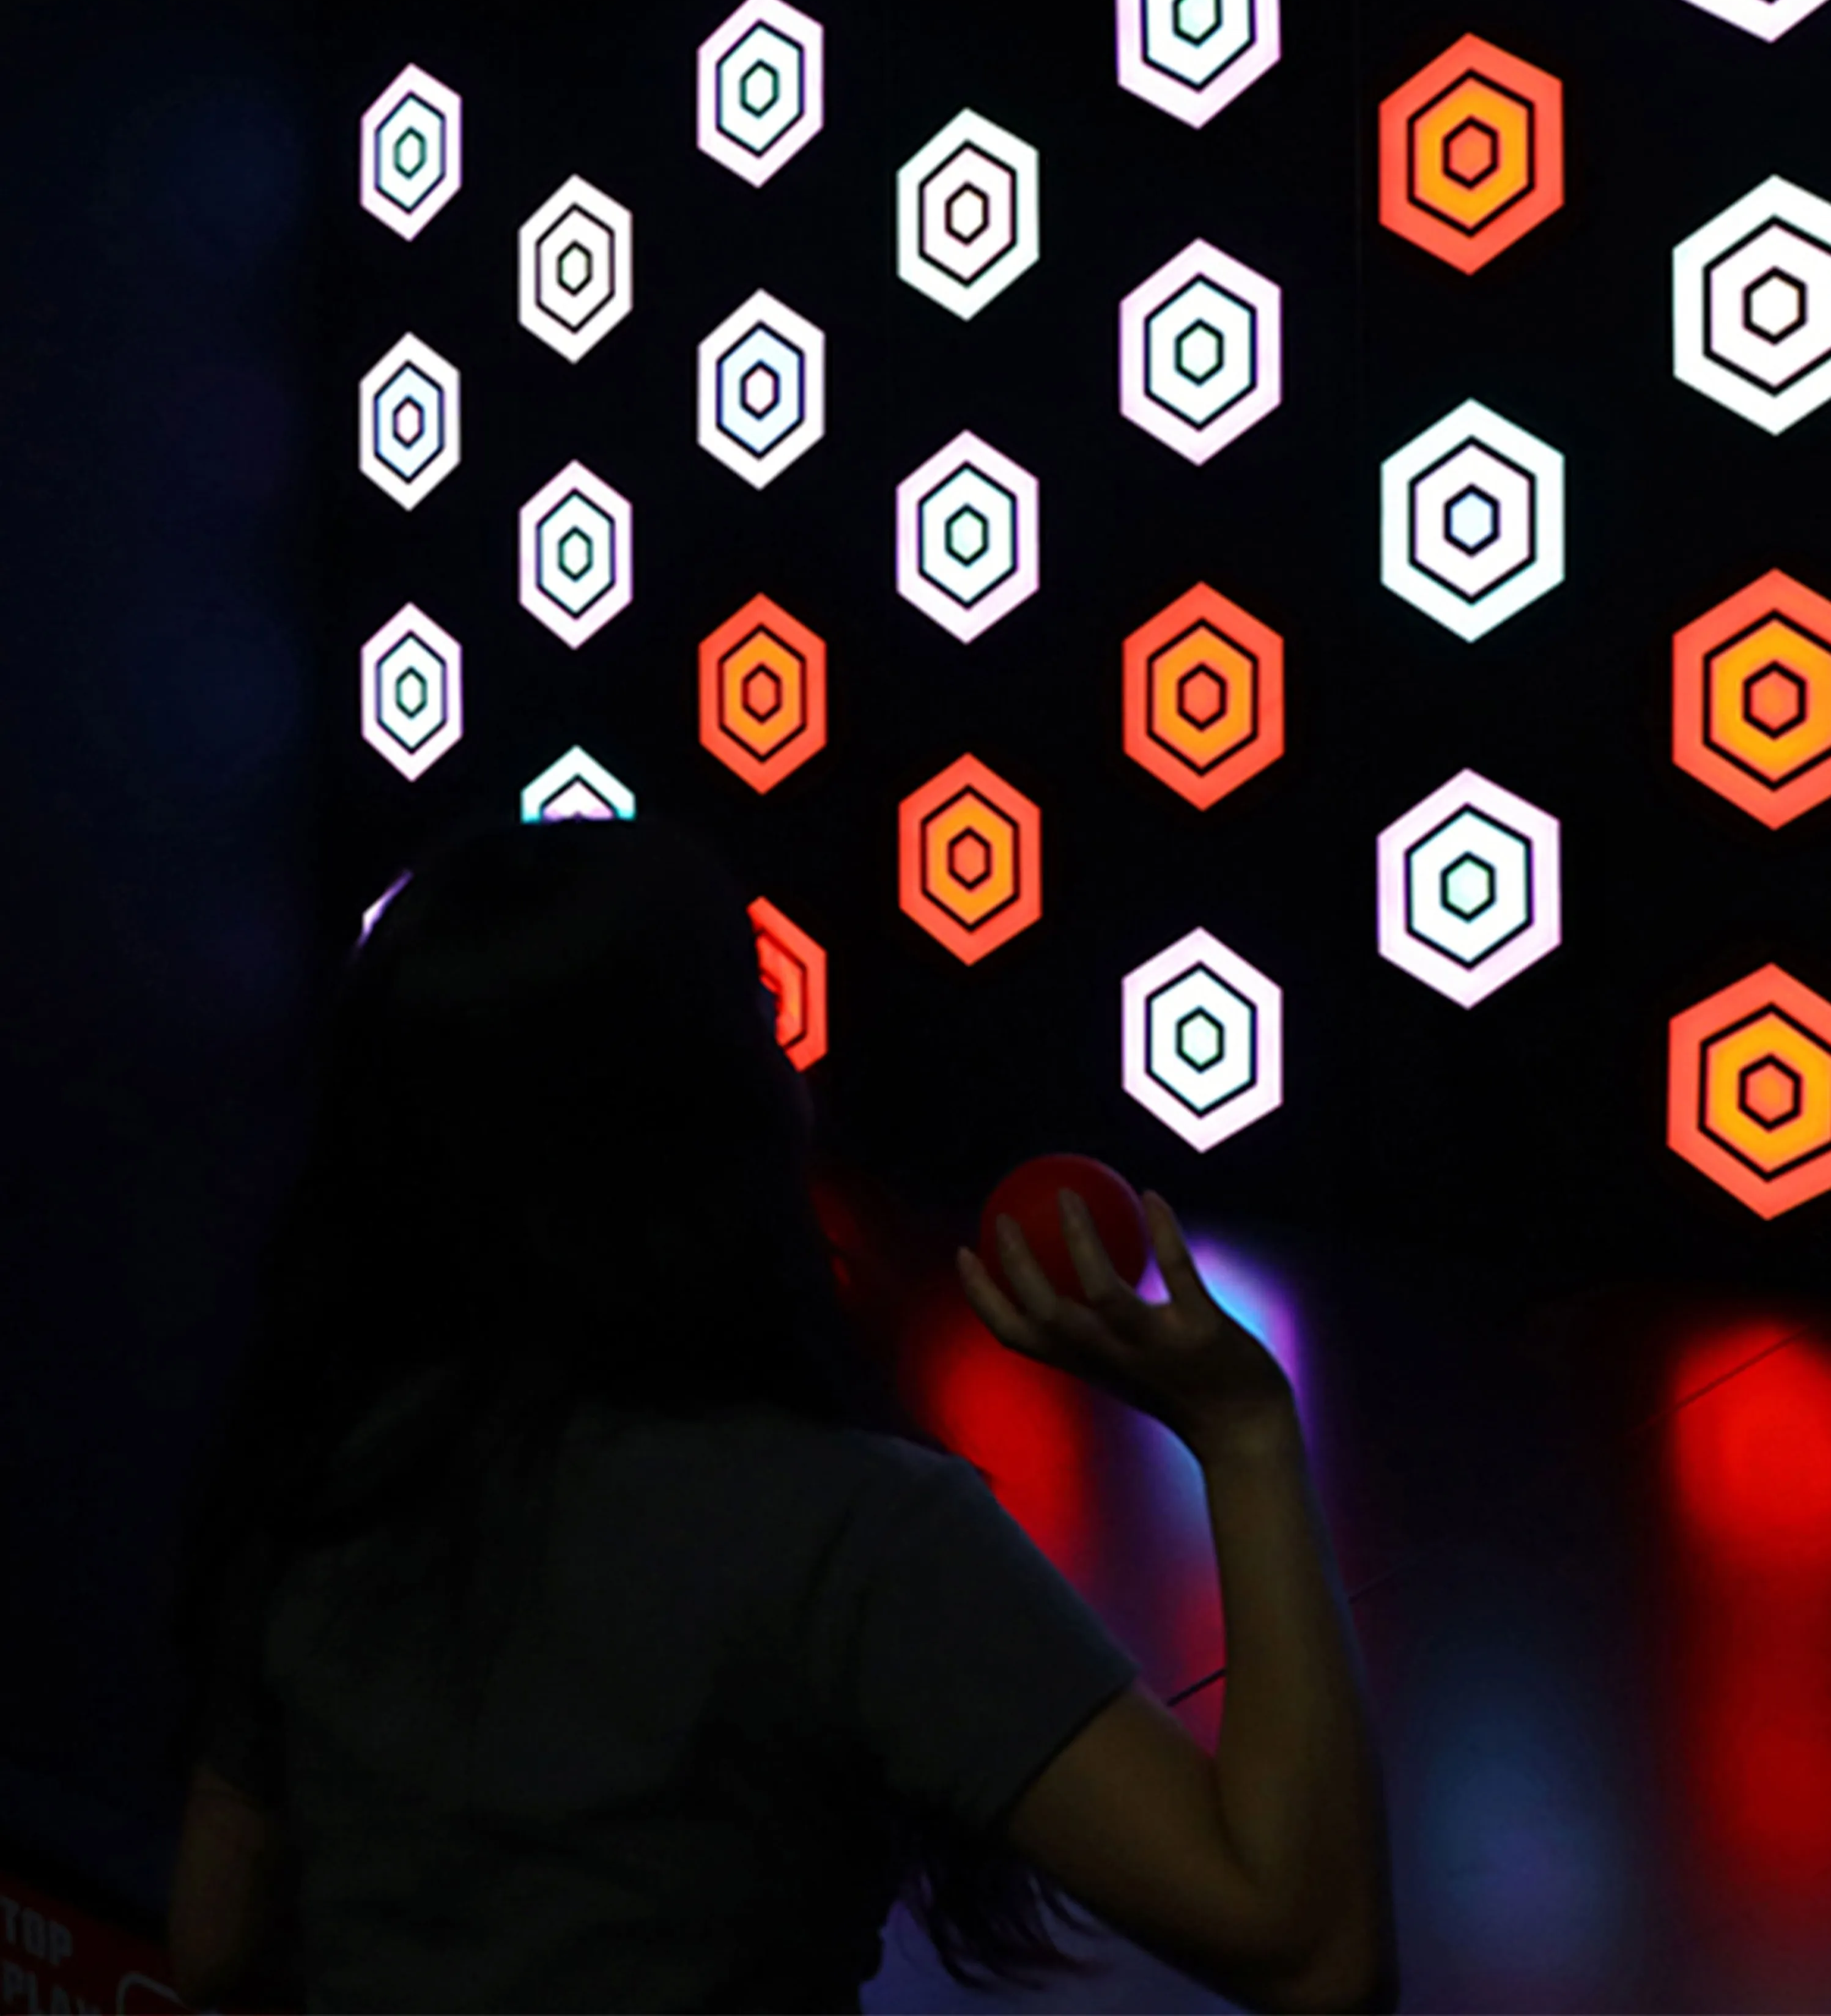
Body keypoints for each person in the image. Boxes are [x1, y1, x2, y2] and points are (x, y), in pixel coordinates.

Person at [159, 810, 1397, 2012]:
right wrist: (1243, 1429)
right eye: (759, 1017)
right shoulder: (853, 1532)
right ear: (712, 1117)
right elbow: (1314, 1955)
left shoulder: (326, 1477)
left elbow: (214, 1948)